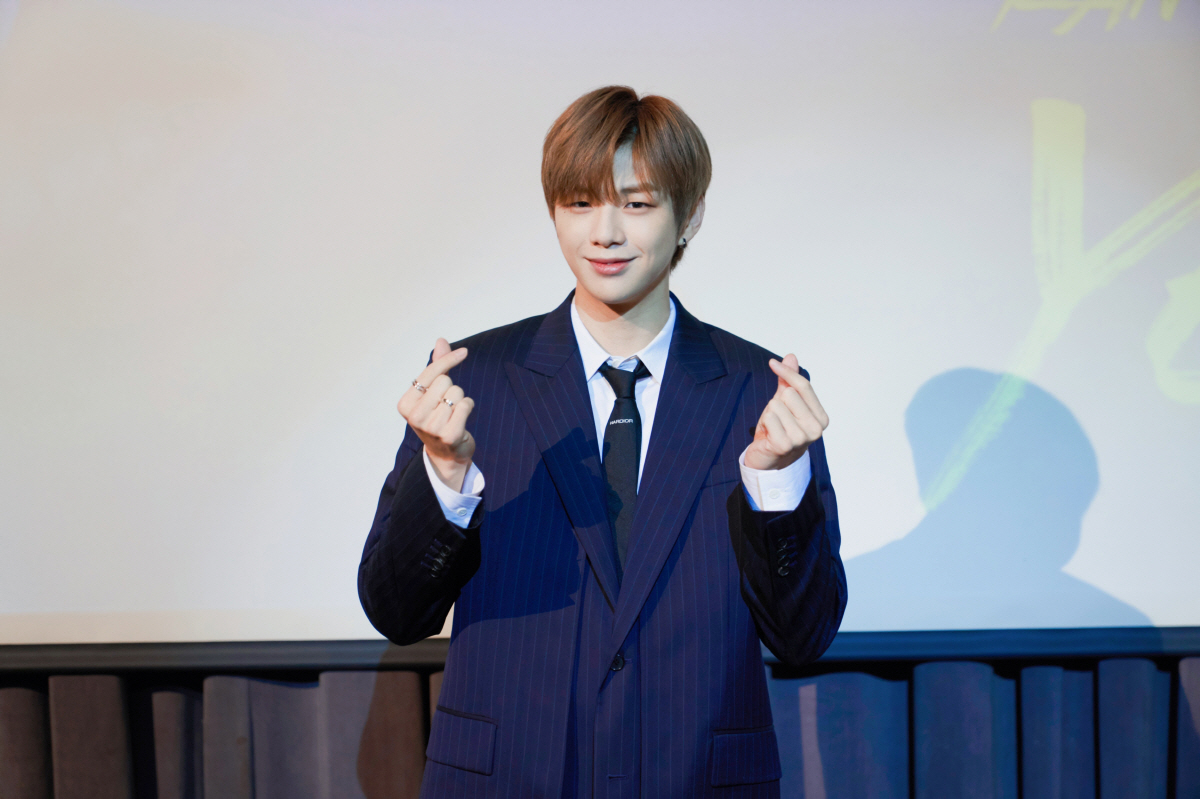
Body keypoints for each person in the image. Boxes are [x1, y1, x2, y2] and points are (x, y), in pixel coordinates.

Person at [358, 85, 846, 798]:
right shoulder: (474, 381)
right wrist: (443, 470)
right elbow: (396, 614)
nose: (604, 234)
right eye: (580, 203)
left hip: (697, 779)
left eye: (637, 204)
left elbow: (804, 637)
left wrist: (776, 482)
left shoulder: (758, 390)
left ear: (690, 214)